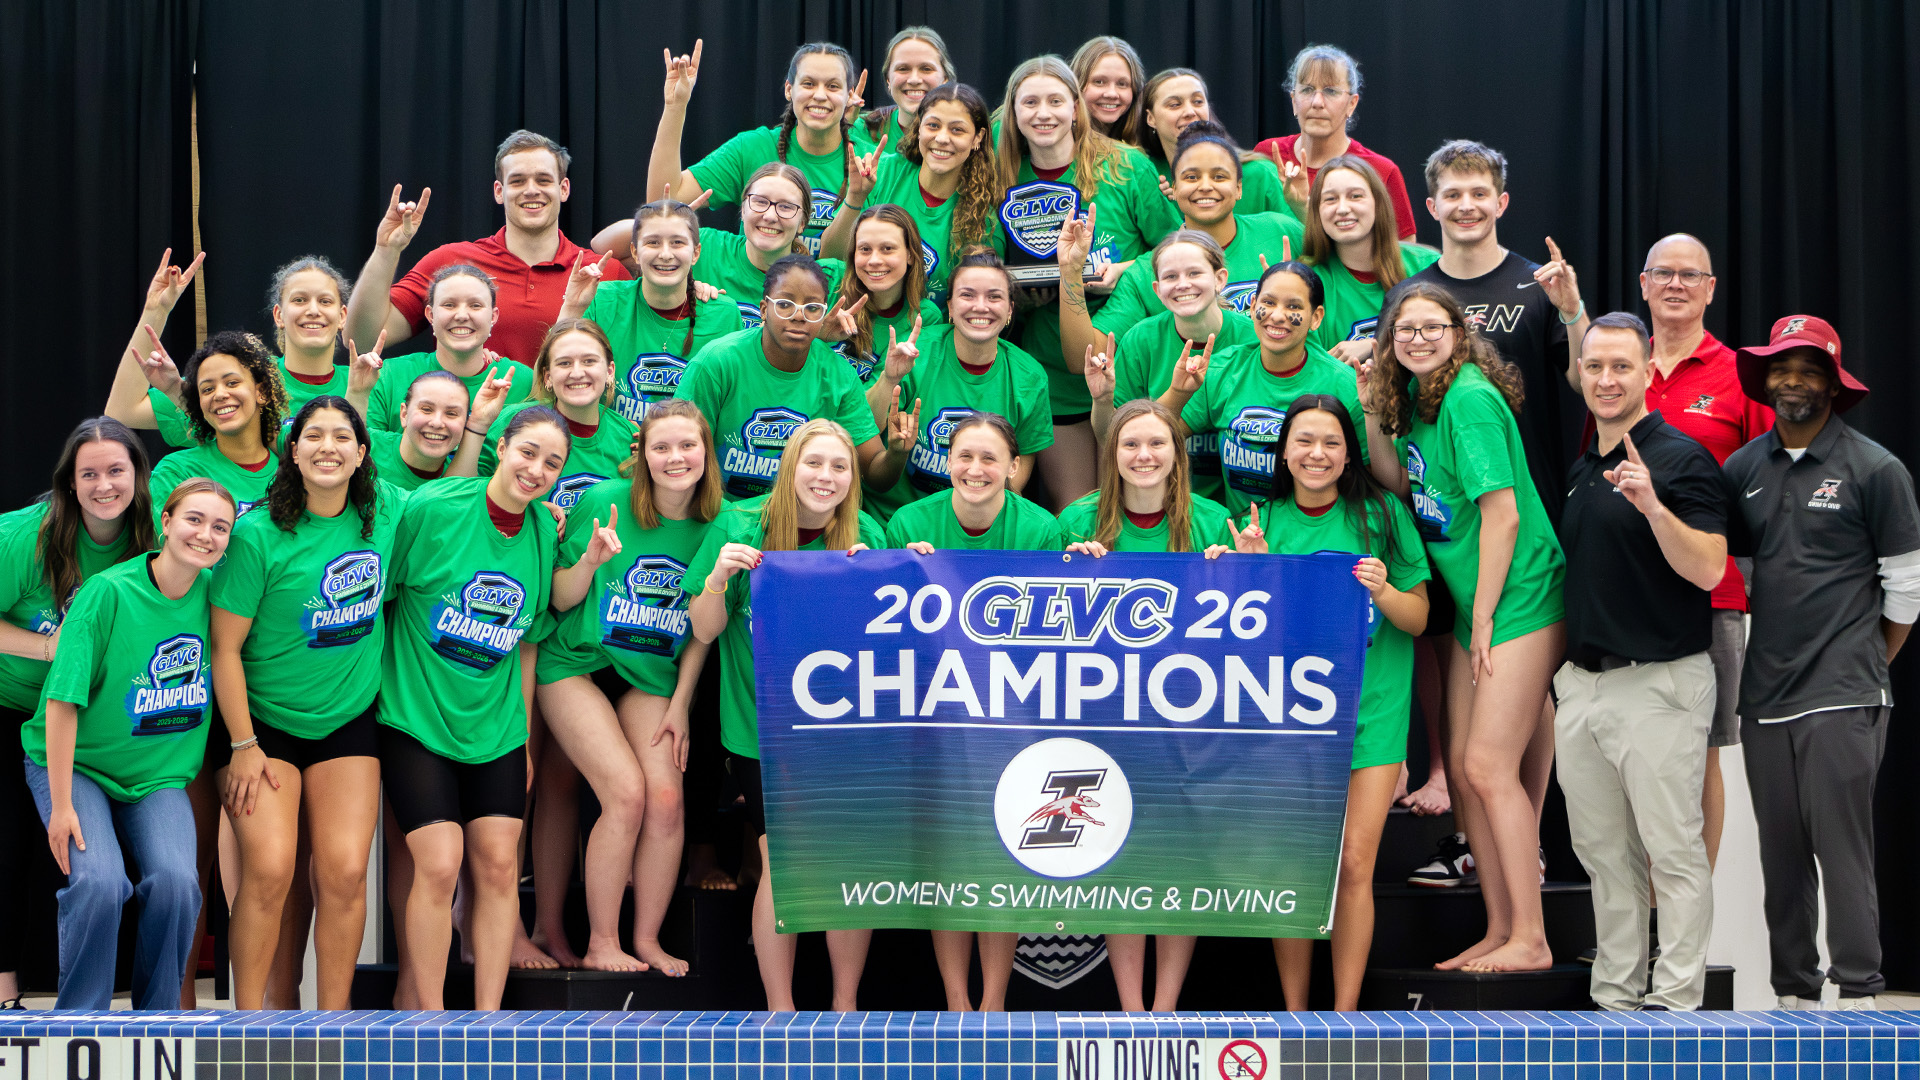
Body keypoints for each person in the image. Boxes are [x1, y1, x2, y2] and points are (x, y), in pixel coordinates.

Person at [1552, 233, 1770, 869]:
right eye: (1662, 273)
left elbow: (1761, 485)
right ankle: (1636, 919)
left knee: (1695, 756)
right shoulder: (1617, 367)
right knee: (1617, 769)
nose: (1676, 284)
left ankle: (1679, 925)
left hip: (1709, 597)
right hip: (1617, 592)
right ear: (1643, 284)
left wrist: (1750, 584)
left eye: (1690, 275)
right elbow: (1582, 367)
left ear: (1710, 289)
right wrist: (1572, 312)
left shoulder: (1737, 376)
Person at [1368, 281, 1566, 973]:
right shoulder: (1421, 403)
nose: (1418, 338)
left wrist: (1480, 618)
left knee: (1483, 765)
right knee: (1465, 767)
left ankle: (1532, 939)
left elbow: (1503, 515)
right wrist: (1370, 404)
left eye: (1432, 327)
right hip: (1476, 602)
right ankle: (1499, 927)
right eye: (1404, 330)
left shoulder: (1469, 399)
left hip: (1517, 597)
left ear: (1459, 333)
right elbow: (1397, 480)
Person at [1723, 315, 1920, 1011]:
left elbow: (1905, 591)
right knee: (1780, 859)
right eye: (1784, 368)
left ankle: (1861, 996)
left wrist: (1864, 659)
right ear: (1767, 379)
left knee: (1844, 854)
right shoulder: (1742, 469)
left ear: (1834, 385)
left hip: (1843, 693)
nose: (1795, 380)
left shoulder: (1876, 469)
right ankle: (1794, 995)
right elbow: (1739, 578)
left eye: (1810, 369)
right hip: (1765, 695)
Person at [1055, 399, 1260, 1011]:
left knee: (1179, 866)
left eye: (1157, 445)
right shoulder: (1078, 520)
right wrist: (1072, 573)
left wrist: (1245, 573)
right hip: (1106, 721)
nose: (1143, 457)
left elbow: (1250, 629)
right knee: (1123, 865)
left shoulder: (1214, 521)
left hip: (1191, 726)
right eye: (1130, 446)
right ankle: (1129, 1008)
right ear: (1111, 455)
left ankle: (1164, 1009)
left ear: (1177, 455)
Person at [1557, 313, 1730, 1011]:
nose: (1606, 379)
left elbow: (1710, 569)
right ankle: (1616, 999)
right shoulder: (1583, 465)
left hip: (1658, 684)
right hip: (1584, 690)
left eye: (1621, 367)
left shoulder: (1682, 459)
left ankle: (1678, 1003)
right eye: (1595, 366)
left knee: (1672, 852)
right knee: (1605, 858)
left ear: (1647, 374)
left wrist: (1655, 508)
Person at [687, 419, 885, 1010]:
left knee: (846, 857)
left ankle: (845, 1007)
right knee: (785, 857)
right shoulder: (741, 525)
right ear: (789, 466)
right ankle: (781, 1011)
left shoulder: (864, 534)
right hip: (762, 730)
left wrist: (880, 575)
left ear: (852, 479)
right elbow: (703, 629)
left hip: (843, 735)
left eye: (839, 467)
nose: (826, 477)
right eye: (814, 463)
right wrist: (720, 576)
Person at [210, 397, 400, 1011]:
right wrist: (242, 745)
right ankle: (249, 1022)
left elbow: (464, 507)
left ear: (362, 453)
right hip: (262, 727)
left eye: (342, 436)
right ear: (292, 451)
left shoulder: (388, 513)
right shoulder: (256, 534)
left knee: (345, 873)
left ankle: (334, 1022)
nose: (327, 447)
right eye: (312, 435)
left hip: (346, 722)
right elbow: (225, 649)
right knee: (269, 869)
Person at [378, 407, 569, 1011]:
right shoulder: (433, 508)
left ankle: (486, 1022)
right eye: (528, 452)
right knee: (438, 866)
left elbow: (529, 643)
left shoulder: (542, 531)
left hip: (497, 728)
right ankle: (430, 1021)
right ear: (501, 447)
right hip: (417, 718)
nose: (536, 470)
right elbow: (380, 600)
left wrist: (524, 735)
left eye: (552, 462)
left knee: (496, 868)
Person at [22, 478, 235, 1009]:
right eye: (193, 519)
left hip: (156, 775)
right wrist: (63, 805)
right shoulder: (107, 593)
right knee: (98, 884)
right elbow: (62, 702)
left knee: (178, 885)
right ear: (165, 521)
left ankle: (157, 1020)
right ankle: (79, 1023)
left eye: (220, 527)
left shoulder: (218, 598)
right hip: (78, 766)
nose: (205, 535)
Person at [534, 400, 723, 975]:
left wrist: (683, 706)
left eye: (687, 446)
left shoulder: (722, 522)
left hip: (652, 674)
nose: (675, 458)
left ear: (706, 452)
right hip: (576, 663)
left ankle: (646, 937)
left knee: (665, 797)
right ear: (640, 454)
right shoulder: (601, 503)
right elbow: (559, 598)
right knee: (624, 793)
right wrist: (590, 561)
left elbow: (702, 634)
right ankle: (599, 940)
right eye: (661, 447)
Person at [883, 413, 1060, 1010]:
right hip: (931, 717)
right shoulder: (909, 522)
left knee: (998, 858)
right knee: (949, 860)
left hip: (1010, 718)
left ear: (1014, 468)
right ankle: (958, 1002)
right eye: (964, 456)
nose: (976, 470)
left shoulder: (1039, 529)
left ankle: (993, 1003)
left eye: (990, 459)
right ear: (947, 461)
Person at [1265, 395, 1432, 1012]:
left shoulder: (1381, 514)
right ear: (1284, 450)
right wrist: (1254, 574)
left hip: (1373, 712)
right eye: (1305, 441)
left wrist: (1386, 590)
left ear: (1349, 451)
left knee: (1355, 866)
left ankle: (1343, 1016)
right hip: (1292, 720)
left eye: (1331, 442)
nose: (1317, 454)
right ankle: (1295, 1013)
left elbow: (1418, 620)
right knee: (1295, 866)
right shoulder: (1265, 521)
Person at [0, 419, 154, 1011]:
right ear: (69, 483)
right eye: (88, 474)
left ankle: (123, 997)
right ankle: (6, 984)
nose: (104, 485)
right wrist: (48, 647)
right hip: (13, 697)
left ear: (139, 478)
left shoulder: (152, 539)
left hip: (93, 715)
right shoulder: (27, 537)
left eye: (116, 471)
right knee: (9, 845)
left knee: (102, 859)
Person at [996, 55, 1180, 506]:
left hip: (1128, 357)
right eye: (1030, 102)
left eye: (1056, 100)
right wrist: (1021, 295)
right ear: (1013, 113)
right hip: (1053, 371)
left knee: (1142, 508)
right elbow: (983, 264)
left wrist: (1126, 270)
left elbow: (1174, 245)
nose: (1044, 113)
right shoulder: (1001, 173)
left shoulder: (1125, 166)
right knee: (1080, 513)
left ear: (1075, 107)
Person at [345, 131, 631, 367]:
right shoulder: (451, 262)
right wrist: (386, 250)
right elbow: (361, 339)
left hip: (562, 434)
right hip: (463, 429)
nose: (531, 190)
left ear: (564, 189)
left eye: (543, 180)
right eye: (517, 181)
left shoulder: (602, 273)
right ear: (498, 191)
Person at [1408, 140, 1585, 522]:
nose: (1466, 205)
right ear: (1432, 207)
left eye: (1479, 193)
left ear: (1501, 203)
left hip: (1527, 497)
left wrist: (1573, 310)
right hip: (1439, 509)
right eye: (1452, 194)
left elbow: (1583, 381)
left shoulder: (1540, 284)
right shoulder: (1408, 297)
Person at [1061, 121, 1304, 376]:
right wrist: (1070, 272)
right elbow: (1083, 360)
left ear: (1239, 188)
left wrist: (1303, 208)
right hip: (1183, 407)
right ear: (1174, 190)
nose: (1205, 185)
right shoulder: (1146, 272)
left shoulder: (1281, 232)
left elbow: (1340, 273)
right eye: (1191, 177)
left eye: (1219, 176)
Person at [672, 254, 895, 500]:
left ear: (823, 315)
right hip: (722, 514)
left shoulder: (839, 376)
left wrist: (897, 452)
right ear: (764, 309)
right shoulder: (717, 361)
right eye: (785, 304)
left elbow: (874, 473)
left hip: (801, 518)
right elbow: (679, 451)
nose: (799, 316)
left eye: (812, 308)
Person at [1155, 261, 1365, 522]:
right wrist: (1178, 392)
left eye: (1294, 306)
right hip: (1240, 537)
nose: (1277, 316)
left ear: (1316, 317)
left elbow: (1368, 477)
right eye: (1268, 302)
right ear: (1253, 306)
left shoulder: (1344, 385)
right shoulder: (1223, 369)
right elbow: (1156, 434)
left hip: (1313, 533)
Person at [862, 251, 1052, 522]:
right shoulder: (916, 352)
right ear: (949, 307)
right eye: (968, 295)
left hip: (977, 522)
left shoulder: (1029, 377)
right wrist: (889, 379)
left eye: (994, 297)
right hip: (896, 521)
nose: (981, 306)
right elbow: (862, 430)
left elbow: (1014, 481)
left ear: (1010, 310)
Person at [108, 254, 369, 450]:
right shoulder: (239, 380)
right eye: (299, 300)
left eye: (325, 301)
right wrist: (157, 310)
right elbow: (123, 411)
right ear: (278, 314)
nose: (313, 310)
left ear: (342, 315)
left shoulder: (367, 385)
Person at [647, 42, 866, 255]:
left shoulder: (872, 162)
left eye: (833, 86)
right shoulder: (751, 148)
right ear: (789, 89)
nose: (819, 95)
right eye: (808, 84)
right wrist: (675, 106)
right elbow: (662, 202)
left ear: (849, 95)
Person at [824, 82, 1002, 309]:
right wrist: (855, 198)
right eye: (933, 126)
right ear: (919, 128)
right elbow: (830, 256)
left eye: (957, 130)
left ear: (978, 138)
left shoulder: (983, 213)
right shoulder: (884, 173)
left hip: (933, 334)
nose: (942, 138)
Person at [565, 198, 744, 419]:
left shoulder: (724, 315)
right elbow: (557, 380)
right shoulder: (604, 300)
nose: (666, 254)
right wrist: (572, 308)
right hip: (614, 451)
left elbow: (732, 407)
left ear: (696, 253)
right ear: (635, 252)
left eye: (677, 242)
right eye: (653, 243)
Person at [1252, 45, 1416, 239]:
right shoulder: (1266, 155)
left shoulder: (1381, 171)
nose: (1317, 102)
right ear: (1294, 100)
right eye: (1307, 90)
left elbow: (1404, 258)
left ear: (1352, 104)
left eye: (1330, 91)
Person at [478, 319, 639, 510]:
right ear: (548, 377)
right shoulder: (513, 421)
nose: (577, 373)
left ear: (610, 371)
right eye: (564, 363)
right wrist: (532, 514)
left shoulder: (631, 437)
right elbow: (466, 496)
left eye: (589, 361)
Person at [362, 264, 535, 435]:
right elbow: (364, 453)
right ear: (430, 315)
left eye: (475, 305)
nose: (461, 315)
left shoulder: (525, 383)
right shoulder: (389, 376)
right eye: (449, 305)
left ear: (493, 316)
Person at [1301, 156, 1438, 364]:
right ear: (1317, 211)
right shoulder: (1309, 282)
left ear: (1378, 203)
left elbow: (1450, 341)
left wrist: (1375, 344)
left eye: (1355, 196)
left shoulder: (1427, 265)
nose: (1343, 208)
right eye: (1330, 199)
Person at [143, 330, 290, 519]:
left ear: (261, 392)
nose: (219, 394)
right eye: (208, 389)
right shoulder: (176, 471)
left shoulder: (296, 469)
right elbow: (174, 546)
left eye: (232, 382)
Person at [1136, 69, 1296, 221]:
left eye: (1198, 101)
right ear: (1151, 118)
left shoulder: (1259, 173)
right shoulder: (1145, 176)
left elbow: (1299, 238)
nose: (1190, 111)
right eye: (1175, 104)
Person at [819, 204, 944, 384]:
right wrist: (817, 335)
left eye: (887, 249)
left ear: (910, 254)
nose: (875, 260)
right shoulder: (828, 277)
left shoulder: (925, 317)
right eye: (865, 249)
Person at [368, 371, 482, 491]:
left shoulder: (462, 479)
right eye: (427, 409)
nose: (437, 423)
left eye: (451, 414)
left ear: (466, 423)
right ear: (404, 414)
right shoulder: (366, 447)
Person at [853, 27, 954, 155]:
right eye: (903, 69)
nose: (914, 80)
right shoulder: (861, 129)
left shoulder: (968, 131)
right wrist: (839, 125)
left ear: (945, 78)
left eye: (926, 69)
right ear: (888, 79)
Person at [1069, 37, 1146, 144]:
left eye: (1122, 84)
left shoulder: (1148, 148)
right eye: (1099, 82)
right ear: (1077, 84)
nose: (1111, 94)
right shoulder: (1059, 149)